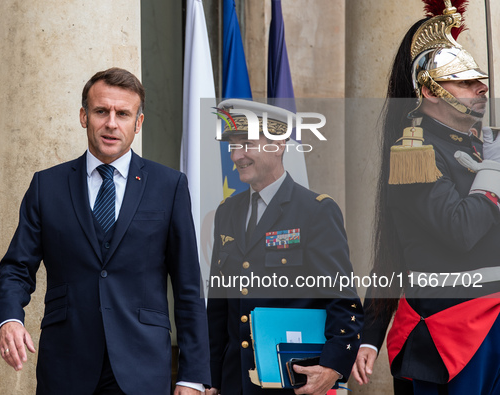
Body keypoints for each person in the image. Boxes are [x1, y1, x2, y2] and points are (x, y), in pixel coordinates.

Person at [0, 67, 210, 394]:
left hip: (142, 366)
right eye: (100, 111)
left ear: (138, 122)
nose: (111, 123)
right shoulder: (46, 186)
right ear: (84, 116)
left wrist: (192, 376)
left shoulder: (169, 186)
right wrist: (9, 318)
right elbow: (16, 267)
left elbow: (188, 285)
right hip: (65, 365)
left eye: (123, 113)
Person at [351, 1, 500, 394]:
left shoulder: (485, 148)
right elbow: (460, 228)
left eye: (479, 79)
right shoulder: (413, 153)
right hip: (450, 331)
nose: (481, 86)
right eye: (465, 81)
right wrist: (493, 174)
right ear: (430, 91)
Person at [206, 99, 363, 395]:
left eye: (246, 144)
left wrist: (332, 367)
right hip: (234, 382)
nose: (236, 156)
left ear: (278, 144)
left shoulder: (316, 211)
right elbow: (217, 308)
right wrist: (210, 378)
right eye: (232, 146)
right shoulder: (227, 211)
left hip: (293, 381)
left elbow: (343, 301)